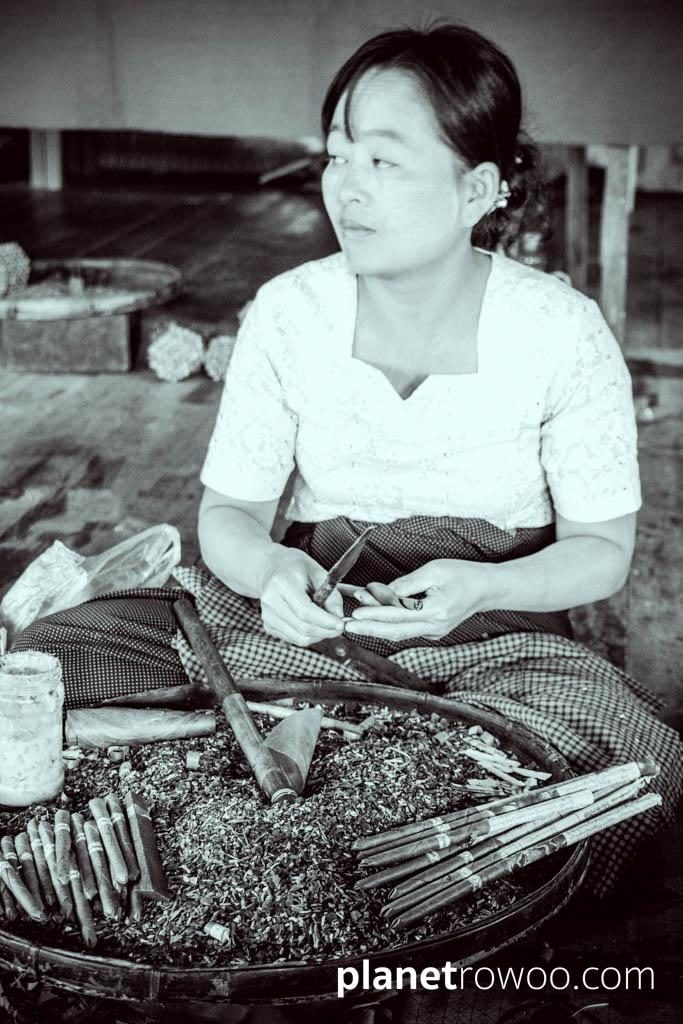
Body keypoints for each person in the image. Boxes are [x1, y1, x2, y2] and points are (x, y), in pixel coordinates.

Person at [12, 23, 681, 898]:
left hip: (487, 640)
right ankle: (328, 755)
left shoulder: (558, 330)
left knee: (634, 772)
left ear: (477, 186)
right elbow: (230, 520)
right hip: (303, 620)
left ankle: (304, 759)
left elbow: (601, 552)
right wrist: (273, 571)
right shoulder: (289, 311)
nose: (346, 190)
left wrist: (478, 586)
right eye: (337, 157)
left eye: (384, 162)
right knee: (50, 661)